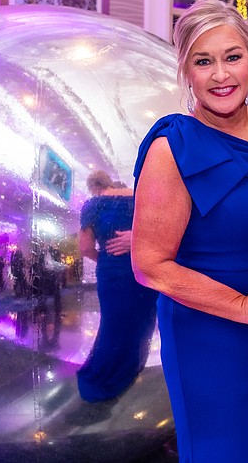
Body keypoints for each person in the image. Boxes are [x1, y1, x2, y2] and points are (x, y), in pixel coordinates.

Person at [131, 0, 248, 462]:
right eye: (203, 62)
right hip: (211, 333)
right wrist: (243, 306)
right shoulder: (172, 147)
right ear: (186, 71)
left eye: (232, 57)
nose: (221, 75)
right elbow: (149, 265)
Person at [77, 170, 158, 403]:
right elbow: (162, 233)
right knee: (141, 321)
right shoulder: (141, 196)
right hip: (143, 269)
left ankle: (105, 377)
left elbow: (85, 248)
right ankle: (133, 366)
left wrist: (103, 258)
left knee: (112, 324)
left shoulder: (93, 205)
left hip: (112, 272)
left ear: (94, 188)